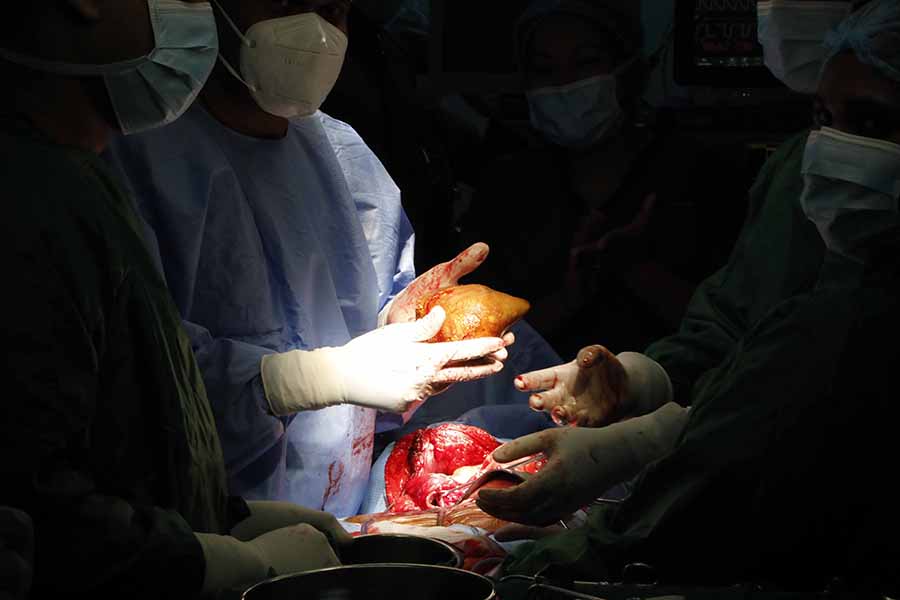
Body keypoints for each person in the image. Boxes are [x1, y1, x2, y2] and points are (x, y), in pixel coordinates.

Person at [480, 0, 900, 592]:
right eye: (822, 115)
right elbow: (737, 321)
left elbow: (797, 391)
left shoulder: (694, 175)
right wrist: (643, 378)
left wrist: (564, 557)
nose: (836, 144)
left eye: (874, 122)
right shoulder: (801, 166)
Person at [104, 0, 555, 518]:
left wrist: (395, 327)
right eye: (286, 1)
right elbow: (132, 383)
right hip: (199, 538)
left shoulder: (342, 157)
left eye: (332, 9)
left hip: (341, 519)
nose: (313, 31)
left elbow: (364, 366)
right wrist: (296, 382)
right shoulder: (132, 160)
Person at [0, 1, 386, 597]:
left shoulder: (82, 176)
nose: (193, 11)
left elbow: (128, 431)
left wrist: (219, 519)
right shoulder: (33, 198)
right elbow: (32, 501)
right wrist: (203, 564)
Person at [455, 0, 749, 360]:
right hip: (532, 402)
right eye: (545, 69)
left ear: (631, 72)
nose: (564, 84)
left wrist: (633, 269)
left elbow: (741, 327)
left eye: (586, 63)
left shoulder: (698, 178)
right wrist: (569, 297)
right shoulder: (509, 188)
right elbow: (476, 338)